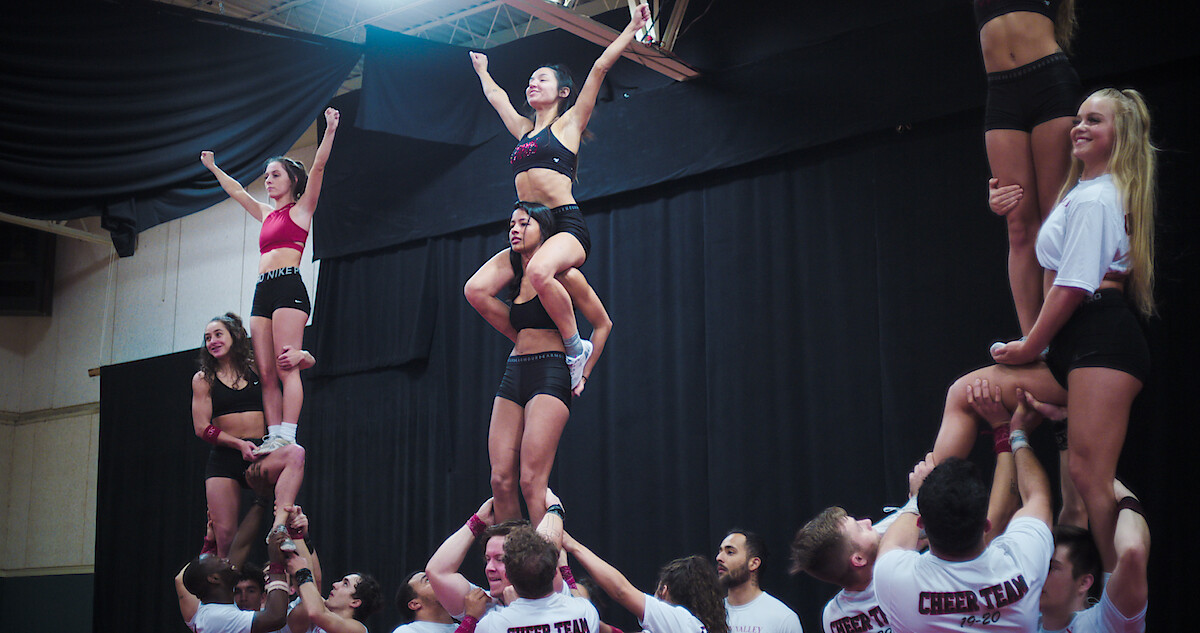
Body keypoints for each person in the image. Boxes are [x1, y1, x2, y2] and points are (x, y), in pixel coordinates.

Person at [932, 88, 1156, 573]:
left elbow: (1073, 285)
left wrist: (1029, 345)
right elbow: (1034, 247)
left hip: (1102, 341)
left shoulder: (1099, 197)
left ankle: (1118, 606)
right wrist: (1006, 204)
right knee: (964, 393)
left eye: (1094, 121)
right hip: (1074, 346)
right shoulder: (1081, 190)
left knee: (1089, 478)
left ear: (1121, 137)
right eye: (1077, 118)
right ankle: (925, 517)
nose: (1079, 127)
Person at [464, 3, 649, 389]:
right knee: (476, 290)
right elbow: (497, 97)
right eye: (530, 80)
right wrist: (483, 71)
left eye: (542, 80)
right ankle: (526, 339)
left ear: (563, 92)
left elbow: (599, 68)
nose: (532, 84)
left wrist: (631, 28)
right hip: (533, 228)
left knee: (538, 271)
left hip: (564, 225)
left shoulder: (569, 125)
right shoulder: (523, 130)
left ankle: (573, 346)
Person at [199, 106, 340, 456]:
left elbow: (319, 167)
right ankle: (273, 434)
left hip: (289, 287)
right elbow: (238, 193)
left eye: (274, 174)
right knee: (264, 369)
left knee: (285, 362)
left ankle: (288, 435)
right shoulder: (266, 213)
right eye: (266, 175)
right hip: (263, 289)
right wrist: (214, 167)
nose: (268, 180)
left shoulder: (302, 208)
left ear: (291, 180)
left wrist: (331, 130)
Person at [474, 203, 611, 526]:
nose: (515, 229)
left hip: (551, 371)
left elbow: (603, 324)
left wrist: (584, 374)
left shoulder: (565, 276)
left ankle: (542, 571)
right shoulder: (516, 279)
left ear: (545, 231)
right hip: (515, 370)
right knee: (500, 480)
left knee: (530, 482)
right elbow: (476, 291)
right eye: (511, 224)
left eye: (524, 223)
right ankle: (511, 566)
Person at [875, 402, 1054, 633]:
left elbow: (894, 540)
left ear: (922, 525)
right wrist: (1017, 434)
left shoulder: (894, 580)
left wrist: (916, 499)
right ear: (986, 525)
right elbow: (1038, 497)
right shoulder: (1021, 561)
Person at [976, 0, 1081, 334]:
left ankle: (1058, 335)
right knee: (1018, 224)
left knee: (1055, 221)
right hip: (1001, 91)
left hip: (1049, 81)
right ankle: (1032, 343)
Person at [193, 313, 311, 546]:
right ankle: (224, 579)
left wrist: (303, 354)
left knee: (296, 453)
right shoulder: (203, 378)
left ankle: (279, 526)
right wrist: (237, 444)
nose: (212, 341)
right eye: (207, 338)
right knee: (224, 537)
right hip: (224, 459)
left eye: (218, 335)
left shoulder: (257, 367)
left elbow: (302, 365)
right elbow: (202, 428)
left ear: (236, 336)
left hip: (258, 454)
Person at [426, 492, 568, 620]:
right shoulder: (480, 606)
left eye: (500, 559)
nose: (489, 568)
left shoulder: (551, 596)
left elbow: (545, 552)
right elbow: (437, 571)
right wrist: (476, 524)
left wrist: (554, 508)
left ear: (526, 561)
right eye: (488, 559)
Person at [1038, 480, 1149, 633]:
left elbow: (1132, 552)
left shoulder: (1105, 623)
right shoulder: (1022, 621)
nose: (1039, 574)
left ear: (1084, 582)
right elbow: (1073, 509)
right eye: (1040, 565)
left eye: (1051, 567)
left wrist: (1126, 497)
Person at [563, 533, 728, 633]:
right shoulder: (684, 627)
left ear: (664, 590)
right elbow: (604, 629)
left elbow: (621, 590)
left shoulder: (680, 621)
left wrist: (574, 547)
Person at [463, 526, 599, 633]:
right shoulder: (586, 611)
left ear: (508, 576)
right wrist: (565, 569)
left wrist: (470, 618)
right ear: (554, 572)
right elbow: (576, 598)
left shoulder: (491, 625)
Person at [284, 507, 384, 633]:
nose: (335, 585)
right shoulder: (323, 612)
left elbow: (316, 611)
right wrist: (298, 534)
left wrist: (301, 572)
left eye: (345, 584)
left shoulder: (357, 629)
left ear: (355, 602)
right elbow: (314, 582)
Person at [180, 527, 293, 633]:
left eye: (251, 591)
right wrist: (277, 565)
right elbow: (276, 618)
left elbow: (241, 546)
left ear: (263, 596)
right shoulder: (217, 617)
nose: (244, 598)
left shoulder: (212, 608)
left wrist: (260, 505)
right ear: (214, 578)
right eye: (237, 591)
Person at [716, 529, 803, 633]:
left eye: (730, 552)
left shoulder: (783, 618)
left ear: (753, 563)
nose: (719, 558)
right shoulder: (709, 614)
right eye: (720, 552)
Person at [392, 571, 457, 633]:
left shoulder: (462, 626)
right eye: (427, 580)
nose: (439, 581)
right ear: (414, 604)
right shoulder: (406, 631)